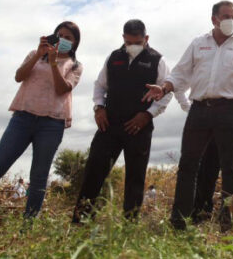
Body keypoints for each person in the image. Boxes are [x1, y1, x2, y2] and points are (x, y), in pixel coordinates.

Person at [143, 1, 233, 231]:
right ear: (214, 19)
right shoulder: (199, 44)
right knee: (188, 165)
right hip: (199, 110)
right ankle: (179, 222)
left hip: (230, 111)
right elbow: (180, 74)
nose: (231, 20)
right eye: (226, 16)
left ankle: (228, 224)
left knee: (230, 168)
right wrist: (164, 88)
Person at [0, 22, 83, 223]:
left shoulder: (75, 65)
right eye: (60, 35)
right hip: (22, 118)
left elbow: (62, 89)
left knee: (39, 178)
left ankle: (28, 225)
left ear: (75, 43)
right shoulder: (35, 54)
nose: (63, 40)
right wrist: (38, 55)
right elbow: (19, 76)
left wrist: (53, 64)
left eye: (69, 37)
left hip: (52, 124)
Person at [72, 20, 181, 222]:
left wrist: (147, 114)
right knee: (94, 170)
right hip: (109, 124)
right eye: (129, 41)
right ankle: (81, 220)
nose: (133, 45)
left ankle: (129, 223)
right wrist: (99, 108)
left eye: (138, 41)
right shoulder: (114, 57)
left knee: (135, 177)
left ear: (146, 39)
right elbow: (99, 86)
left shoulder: (158, 60)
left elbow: (166, 93)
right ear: (123, 38)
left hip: (138, 126)